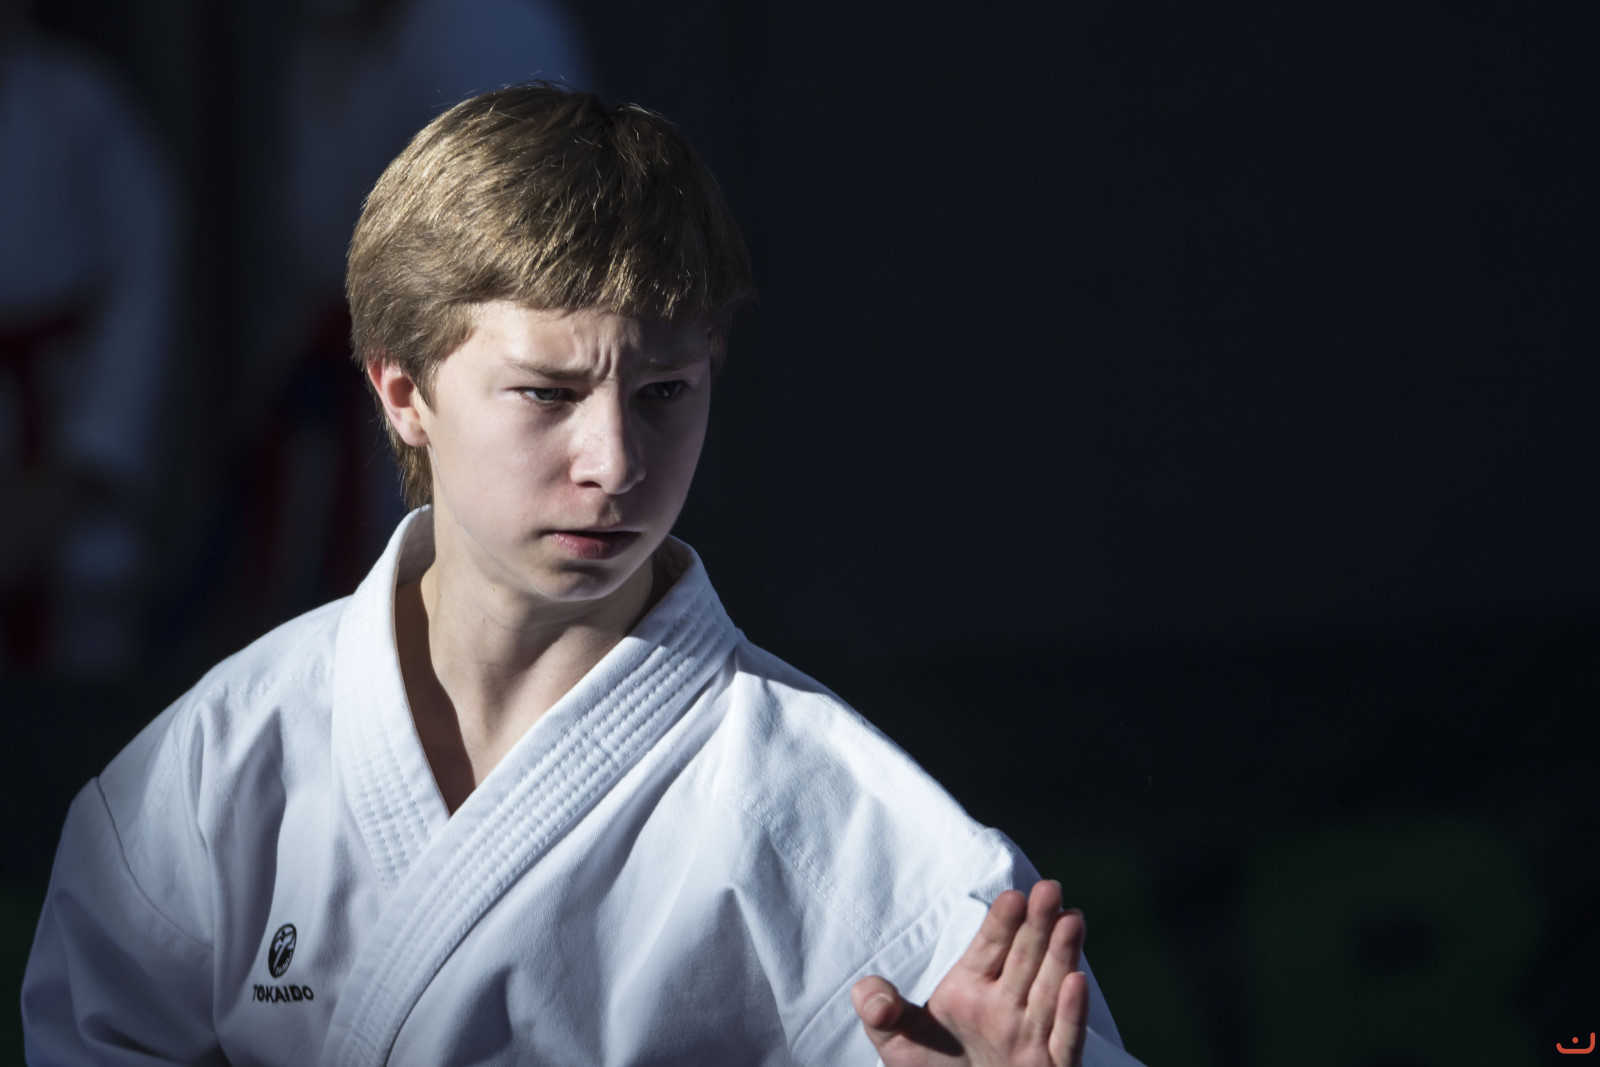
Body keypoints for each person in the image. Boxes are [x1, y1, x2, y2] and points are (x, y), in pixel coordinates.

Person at [21, 85, 1145, 1066]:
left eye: (665, 393)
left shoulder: (845, 825)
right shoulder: (210, 774)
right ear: (404, 390)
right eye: (547, 394)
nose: (614, 462)